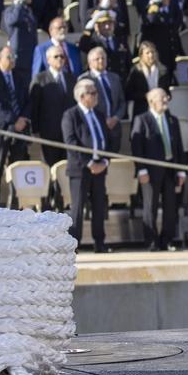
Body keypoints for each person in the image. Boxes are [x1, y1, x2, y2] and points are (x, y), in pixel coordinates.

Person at [131, 85, 186, 250]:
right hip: (150, 171)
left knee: (171, 206)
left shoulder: (172, 120)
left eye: (166, 98)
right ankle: (151, 240)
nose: (166, 100)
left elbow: (179, 147)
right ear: (151, 101)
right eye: (162, 98)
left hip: (170, 169)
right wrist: (141, 169)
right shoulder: (142, 119)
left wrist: (181, 170)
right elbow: (137, 146)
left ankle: (167, 240)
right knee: (150, 207)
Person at [61, 77, 111, 250]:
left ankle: (100, 242)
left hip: (100, 167)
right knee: (78, 207)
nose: (96, 96)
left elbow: (107, 140)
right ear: (82, 96)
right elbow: (71, 142)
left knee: (99, 206)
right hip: (80, 169)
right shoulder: (70, 115)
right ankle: (75, 244)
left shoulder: (99, 114)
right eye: (93, 93)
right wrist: (89, 163)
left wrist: (104, 161)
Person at [0, 43, 31, 182]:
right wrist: (14, 121)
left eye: (14, 57)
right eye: (9, 57)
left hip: (20, 130)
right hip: (2, 129)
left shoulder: (19, 77)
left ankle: (17, 202)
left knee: (19, 168)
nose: (13, 60)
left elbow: (28, 100)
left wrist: (23, 119)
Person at [138, 0, 181, 69]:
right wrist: (155, 3)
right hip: (154, 49)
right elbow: (148, 21)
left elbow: (178, 19)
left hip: (170, 48)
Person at [83, 39, 127, 135]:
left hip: (114, 126)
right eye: (97, 59)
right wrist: (103, 120)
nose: (101, 61)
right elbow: (84, 104)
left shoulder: (114, 77)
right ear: (90, 63)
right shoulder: (85, 80)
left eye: (103, 58)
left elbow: (122, 101)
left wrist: (115, 118)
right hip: (96, 126)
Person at [2, 0, 39, 79]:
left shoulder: (28, 10)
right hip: (19, 57)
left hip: (30, 55)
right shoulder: (10, 10)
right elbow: (12, 20)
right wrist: (19, 3)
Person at [30, 15, 82, 82]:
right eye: (59, 28)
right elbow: (36, 75)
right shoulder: (41, 49)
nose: (63, 30)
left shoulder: (73, 48)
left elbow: (79, 70)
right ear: (51, 30)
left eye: (64, 27)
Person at [125, 39, 169, 116]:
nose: (151, 55)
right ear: (141, 55)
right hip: (142, 110)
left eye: (152, 52)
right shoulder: (136, 72)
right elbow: (129, 93)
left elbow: (167, 91)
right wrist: (146, 96)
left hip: (160, 109)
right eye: (147, 53)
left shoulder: (162, 70)